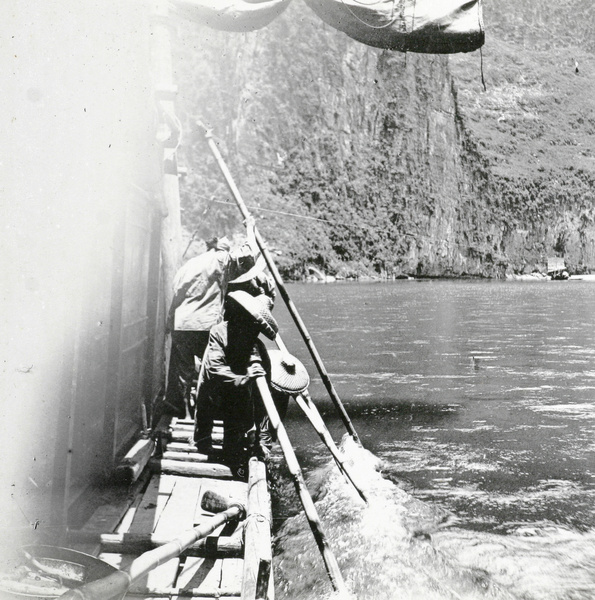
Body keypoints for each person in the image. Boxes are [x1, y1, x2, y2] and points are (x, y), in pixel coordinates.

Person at [157, 218, 262, 422]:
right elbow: (249, 255)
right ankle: (211, 412)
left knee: (182, 372)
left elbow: (176, 295)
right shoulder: (222, 259)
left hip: (183, 323)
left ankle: (185, 414)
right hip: (205, 326)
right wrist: (250, 228)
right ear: (222, 248)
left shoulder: (189, 264)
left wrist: (170, 321)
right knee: (213, 368)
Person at [193, 290, 278, 478]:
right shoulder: (219, 333)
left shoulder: (257, 347)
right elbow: (215, 370)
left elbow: (264, 398)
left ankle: (235, 452)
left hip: (236, 398)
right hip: (214, 390)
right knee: (203, 443)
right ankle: (204, 439)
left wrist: (264, 440)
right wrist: (244, 378)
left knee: (234, 447)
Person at [257, 349, 310, 457]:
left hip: (274, 398)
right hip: (268, 398)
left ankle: (267, 444)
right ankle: (265, 445)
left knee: (269, 422)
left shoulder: (282, 390)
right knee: (265, 422)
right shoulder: (270, 382)